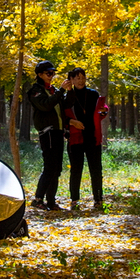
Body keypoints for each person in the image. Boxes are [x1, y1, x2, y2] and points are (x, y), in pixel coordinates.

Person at [27, 60, 71, 211]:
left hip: (58, 132)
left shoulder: (53, 90)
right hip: (48, 132)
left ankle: (51, 201)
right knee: (50, 167)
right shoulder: (35, 91)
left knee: (57, 168)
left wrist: (67, 91)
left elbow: (62, 107)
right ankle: (38, 198)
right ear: (39, 75)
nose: (51, 76)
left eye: (53, 73)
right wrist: (60, 91)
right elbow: (45, 105)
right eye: (48, 73)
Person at [64, 67, 108, 211]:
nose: (80, 80)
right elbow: (62, 116)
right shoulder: (67, 97)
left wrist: (103, 111)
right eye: (77, 78)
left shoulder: (93, 94)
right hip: (75, 138)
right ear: (71, 80)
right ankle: (75, 200)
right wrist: (72, 122)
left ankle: (98, 199)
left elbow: (103, 108)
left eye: (82, 77)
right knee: (76, 170)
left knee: (96, 169)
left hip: (92, 137)